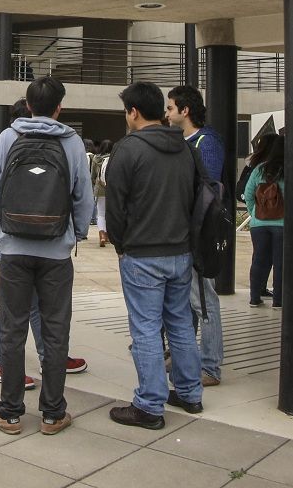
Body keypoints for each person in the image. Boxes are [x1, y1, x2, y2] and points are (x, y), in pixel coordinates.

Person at [0, 77, 94, 436]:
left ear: (28, 105)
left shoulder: (8, 137)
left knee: (12, 328)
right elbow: (83, 195)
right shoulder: (72, 142)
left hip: (14, 249)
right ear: (59, 107)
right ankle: (53, 413)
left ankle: (10, 412)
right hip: (56, 253)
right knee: (56, 329)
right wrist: (76, 233)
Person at [105, 81, 203, 431]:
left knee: (146, 329)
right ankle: (190, 393)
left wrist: (120, 245)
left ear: (133, 112)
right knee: (180, 323)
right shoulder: (184, 148)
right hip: (180, 251)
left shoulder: (128, 150)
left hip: (142, 253)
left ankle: (149, 405)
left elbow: (115, 208)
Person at [165, 85, 226, 388]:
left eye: (170, 108)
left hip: (199, 234)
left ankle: (210, 365)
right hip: (183, 232)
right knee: (186, 299)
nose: (166, 114)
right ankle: (183, 355)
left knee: (204, 300)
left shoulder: (206, 142)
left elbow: (207, 190)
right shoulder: (184, 141)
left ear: (185, 110)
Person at [244, 135, 285, 308]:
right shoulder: (290, 169)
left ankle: (254, 298)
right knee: (280, 263)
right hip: (282, 225)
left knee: (259, 260)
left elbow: (248, 194)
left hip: (259, 224)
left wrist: (255, 213)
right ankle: (278, 301)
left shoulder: (259, 169)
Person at [91, 140, 112, 247]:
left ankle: (102, 235)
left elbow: (93, 176)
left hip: (100, 189)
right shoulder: (114, 158)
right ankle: (108, 235)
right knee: (110, 213)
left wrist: (96, 184)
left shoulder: (96, 158)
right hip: (112, 190)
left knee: (100, 214)